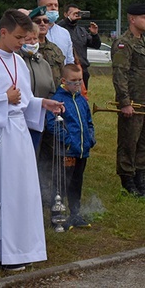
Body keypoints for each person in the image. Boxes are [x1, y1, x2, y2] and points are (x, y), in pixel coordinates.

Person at [0, 9, 63, 271]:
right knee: (1, 193)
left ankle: (22, 247)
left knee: (22, 191)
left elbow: (24, 100)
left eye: (25, 38)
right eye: (18, 37)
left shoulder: (18, 61)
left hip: (19, 135)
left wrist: (42, 103)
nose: (21, 42)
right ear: (2, 32)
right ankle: (0, 250)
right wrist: (4, 99)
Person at [45, 64, 96, 228]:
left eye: (80, 80)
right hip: (66, 152)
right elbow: (53, 124)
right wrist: (68, 141)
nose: (77, 84)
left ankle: (75, 213)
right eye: (73, 81)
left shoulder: (81, 100)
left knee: (76, 182)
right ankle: (57, 216)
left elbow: (88, 121)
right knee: (61, 184)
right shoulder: (58, 100)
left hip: (82, 151)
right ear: (64, 81)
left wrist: (90, 138)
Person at [111, 3, 145, 196]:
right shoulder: (124, 43)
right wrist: (124, 102)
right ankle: (127, 178)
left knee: (143, 142)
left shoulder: (143, 41)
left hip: (144, 100)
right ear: (133, 19)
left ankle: (140, 175)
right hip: (132, 101)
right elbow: (119, 74)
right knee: (129, 141)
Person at [18, 23, 56, 154]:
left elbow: (51, 88)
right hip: (20, 120)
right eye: (28, 39)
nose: (33, 42)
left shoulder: (43, 63)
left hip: (40, 119)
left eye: (35, 39)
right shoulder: (17, 61)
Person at [58, 4, 101, 88]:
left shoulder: (81, 30)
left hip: (82, 70)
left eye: (77, 13)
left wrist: (95, 34)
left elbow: (96, 45)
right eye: (72, 13)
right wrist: (69, 19)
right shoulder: (61, 29)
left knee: (82, 97)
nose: (75, 15)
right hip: (67, 69)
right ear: (66, 14)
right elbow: (56, 27)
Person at [30, 6, 65, 88]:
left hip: (55, 96)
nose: (42, 24)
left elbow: (63, 74)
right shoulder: (27, 48)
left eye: (45, 21)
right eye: (38, 21)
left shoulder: (55, 49)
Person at [37, 0, 74, 65]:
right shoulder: (32, 32)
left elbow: (69, 60)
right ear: (40, 8)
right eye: (49, 5)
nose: (53, 8)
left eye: (56, 5)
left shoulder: (65, 33)